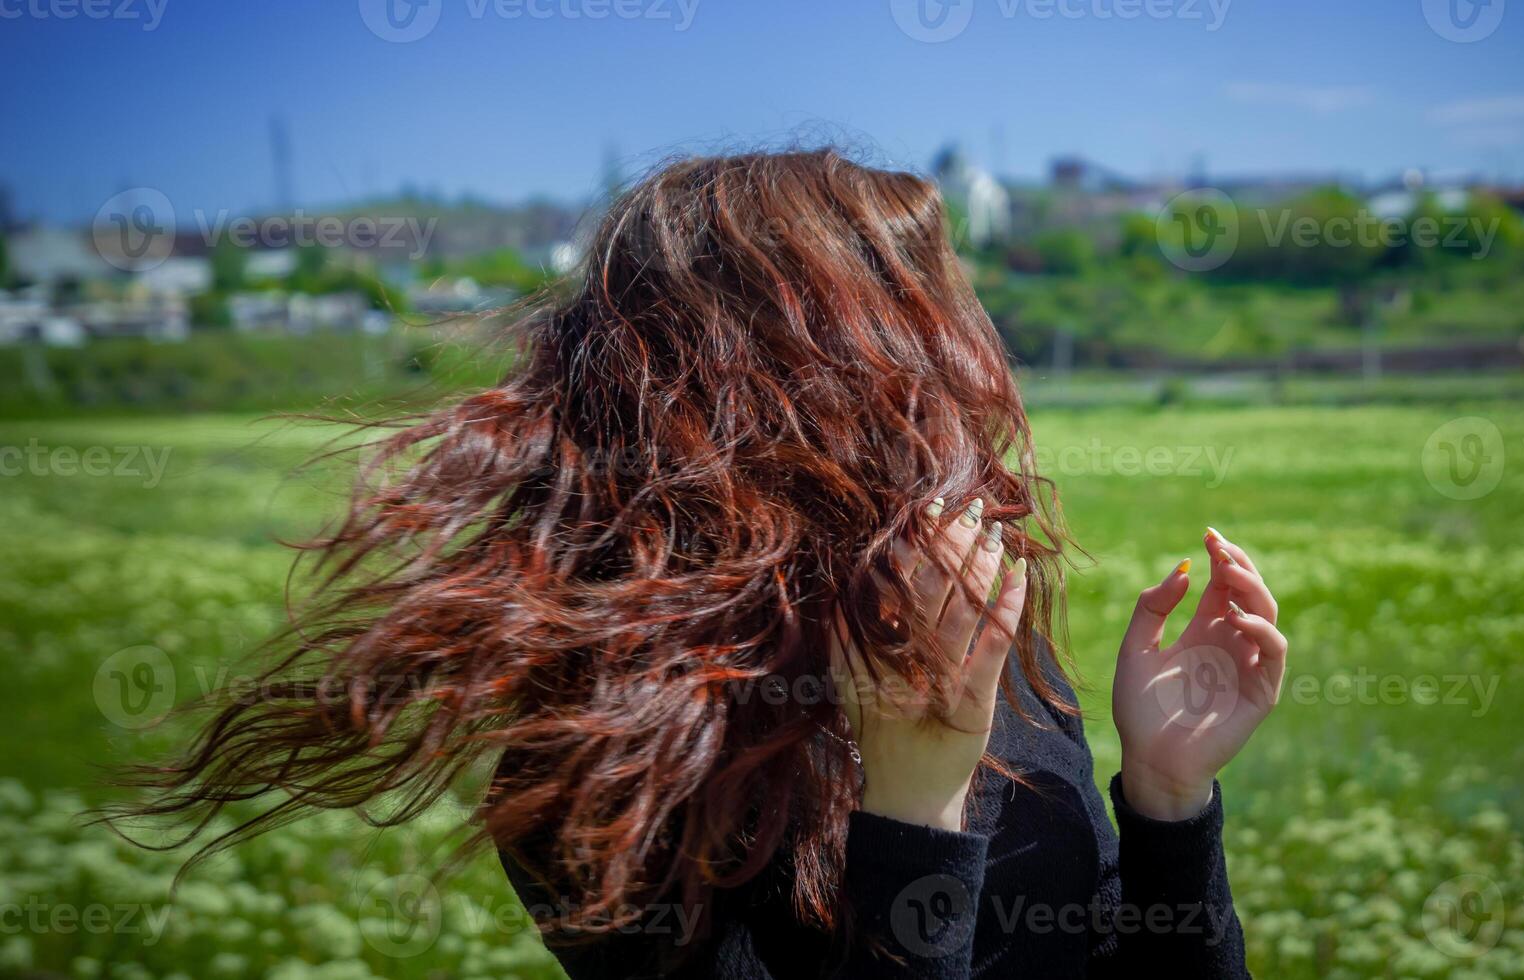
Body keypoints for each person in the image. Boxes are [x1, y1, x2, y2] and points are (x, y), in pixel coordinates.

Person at [116, 149, 1287, 978]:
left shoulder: (987, 647)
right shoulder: (600, 771)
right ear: (798, 387)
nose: (979, 376)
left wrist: (1169, 799)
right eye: (931, 329)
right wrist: (914, 802)